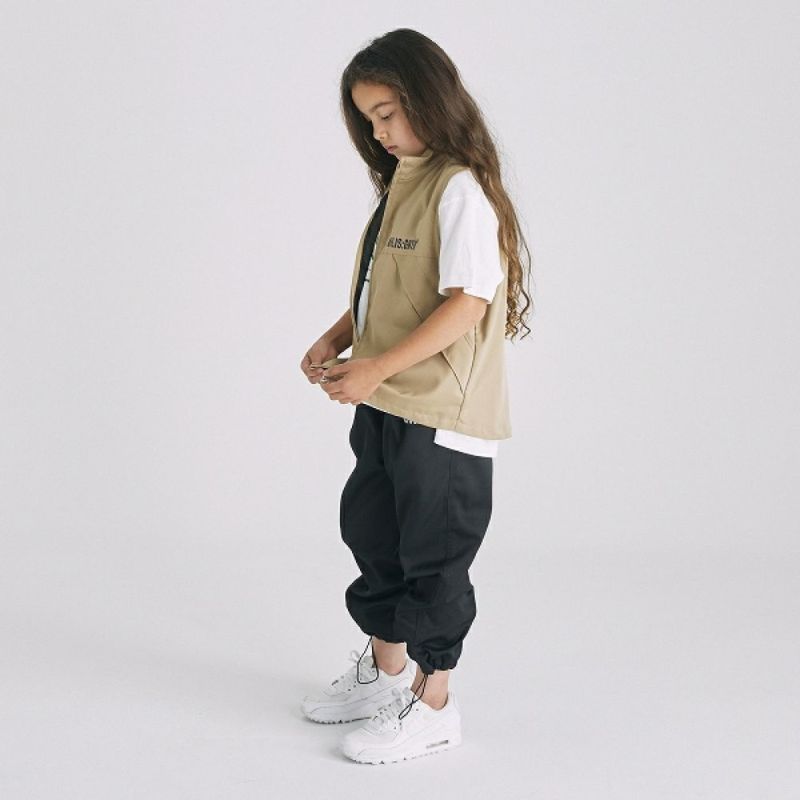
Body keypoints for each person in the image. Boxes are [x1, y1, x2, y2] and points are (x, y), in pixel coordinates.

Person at [298, 28, 533, 764]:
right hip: (389, 401)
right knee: (374, 534)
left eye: (388, 113)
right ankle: (386, 674)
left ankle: (434, 706)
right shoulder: (401, 183)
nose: (379, 132)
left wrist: (374, 368)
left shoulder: (459, 187)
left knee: (435, 556)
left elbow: (468, 303)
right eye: (368, 119)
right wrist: (339, 337)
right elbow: (388, 290)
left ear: (430, 99)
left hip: (442, 415)